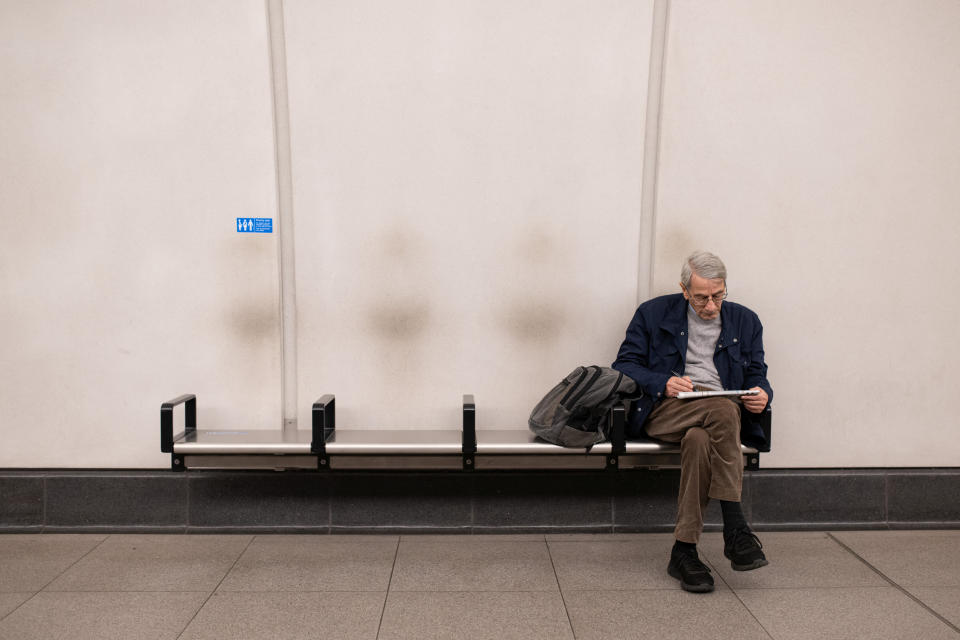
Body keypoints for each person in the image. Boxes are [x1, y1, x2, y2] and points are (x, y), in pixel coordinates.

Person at [612, 250, 773, 593]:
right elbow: (624, 364)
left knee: (701, 439)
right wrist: (662, 382)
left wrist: (762, 393)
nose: (711, 305)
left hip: (717, 421)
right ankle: (735, 526)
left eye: (718, 295)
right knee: (722, 410)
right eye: (702, 297)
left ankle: (683, 551)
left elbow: (757, 372)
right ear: (684, 290)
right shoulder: (654, 314)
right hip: (665, 411)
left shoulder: (746, 321)